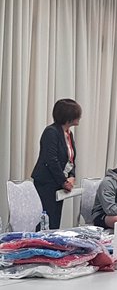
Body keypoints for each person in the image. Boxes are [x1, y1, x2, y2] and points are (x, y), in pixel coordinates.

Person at [31, 98, 82, 229]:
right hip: (47, 182)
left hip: (58, 182)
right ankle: (42, 245)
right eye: (77, 114)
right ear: (68, 116)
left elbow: (71, 158)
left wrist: (71, 176)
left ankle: (53, 245)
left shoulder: (68, 134)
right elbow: (51, 160)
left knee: (55, 219)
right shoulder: (51, 132)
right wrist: (64, 181)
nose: (79, 117)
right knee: (47, 219)